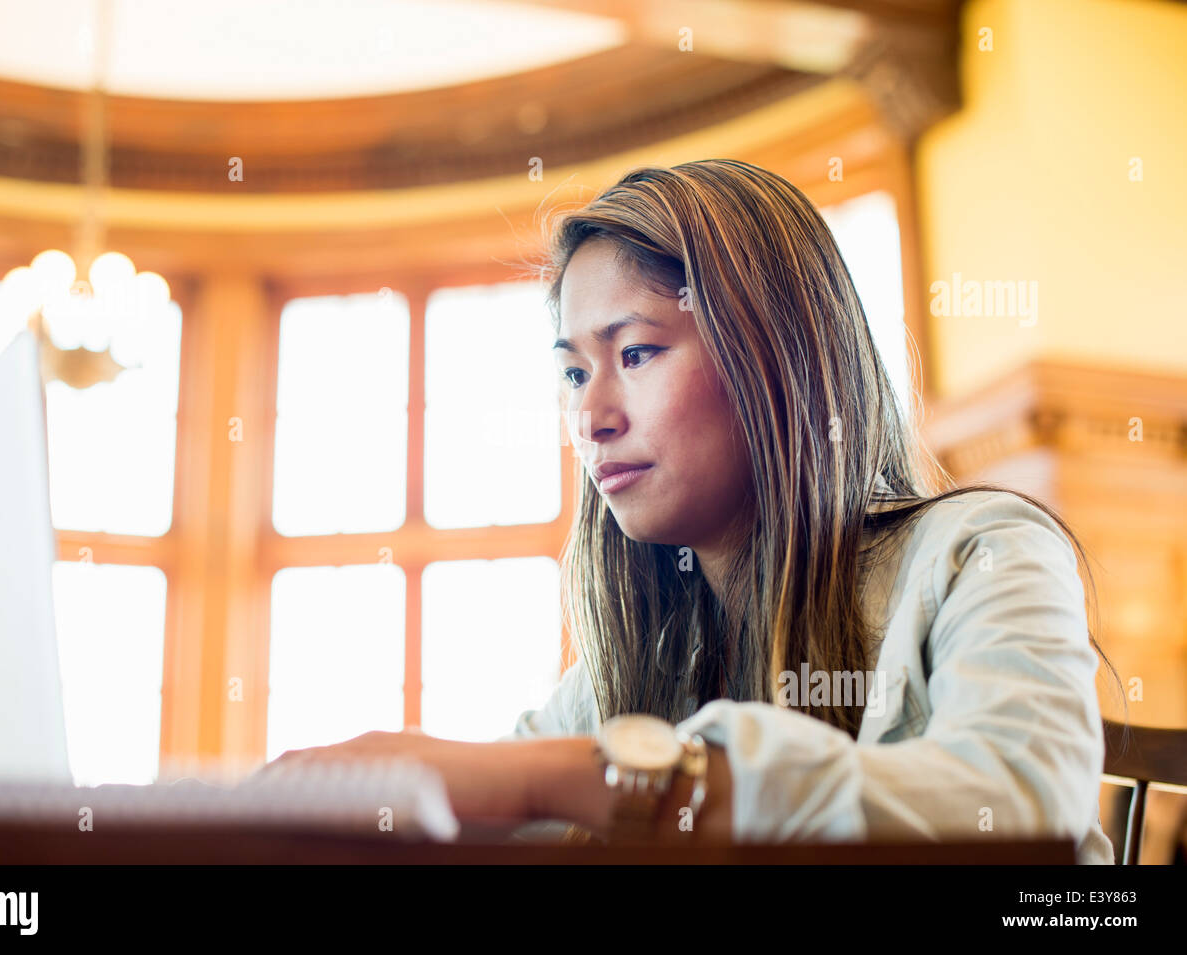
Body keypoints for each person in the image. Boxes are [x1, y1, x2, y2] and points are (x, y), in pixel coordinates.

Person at [265, 159, 1128, 863]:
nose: (591, 416)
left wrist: (575, 778)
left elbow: (1019, 812)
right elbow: (488, 805)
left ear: (776, 357)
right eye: (573, 372)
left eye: (635, 352)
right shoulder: (649, 643)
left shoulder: (984, 555)